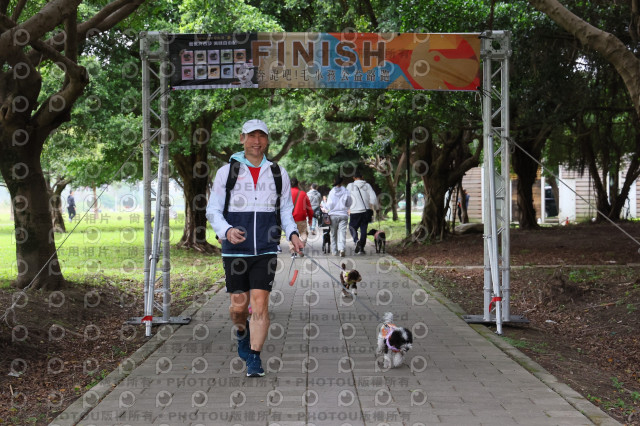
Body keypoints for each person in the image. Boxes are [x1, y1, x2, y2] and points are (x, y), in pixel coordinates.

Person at [206, 119, 304, 377]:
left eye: (261, 136)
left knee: (260, 305)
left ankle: (254, 357)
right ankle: (242, 333)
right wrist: (226, 230)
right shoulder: (226, 172)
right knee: (238, 308)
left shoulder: (277, 172)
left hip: (266, 248)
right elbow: (213, 209)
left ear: (267, 140)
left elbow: (285, 210)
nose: (257, 141)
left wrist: (293, 233)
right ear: (242, 139)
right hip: (235, 250)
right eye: (252, 136)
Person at [347, 170, 378, 255]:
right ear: (362, 177)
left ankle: (356, 240)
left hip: (354, 211)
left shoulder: (350, 185)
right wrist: (373, 207)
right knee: (363, 229)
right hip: (365, 211)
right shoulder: (367, 186)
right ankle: (362, 248)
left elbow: (346, 198)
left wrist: (348, 208)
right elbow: (373, 198)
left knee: (352, 227)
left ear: (354, 178)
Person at [326, 175, 352, 257]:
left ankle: (334, 251)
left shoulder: (332, 191)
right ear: (342, 182)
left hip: (333, 215)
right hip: (343, 215)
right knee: (342, 233)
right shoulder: (346, 191)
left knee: (333, 234)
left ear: (335, 181)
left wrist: (326, 209)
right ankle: (342, 249)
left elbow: (329, 204)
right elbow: (349, 203)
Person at [289, 178, 314, 257]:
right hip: (301, 218)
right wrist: (310, 219)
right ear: (298, 184)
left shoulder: (286, 194)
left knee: (291, 234)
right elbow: (309, 208)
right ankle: (301, 247)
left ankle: (293, 252)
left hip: (290, 219)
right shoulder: (303, 194)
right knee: (303, 233)